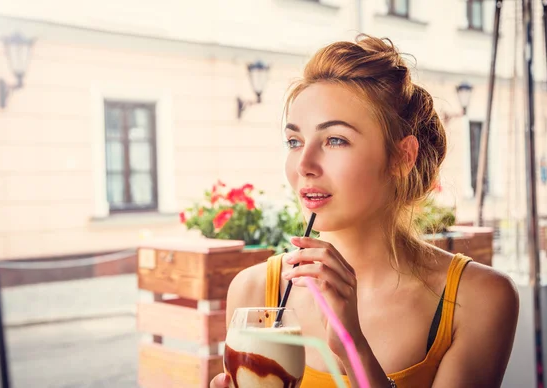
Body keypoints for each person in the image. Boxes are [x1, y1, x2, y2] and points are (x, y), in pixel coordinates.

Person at [210, 34, 519, 388]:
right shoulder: (253, 292)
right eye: (295, 142)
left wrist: (354, 348)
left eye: (335, 140)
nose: (304, 165)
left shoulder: (477, 299)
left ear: (402, 157)